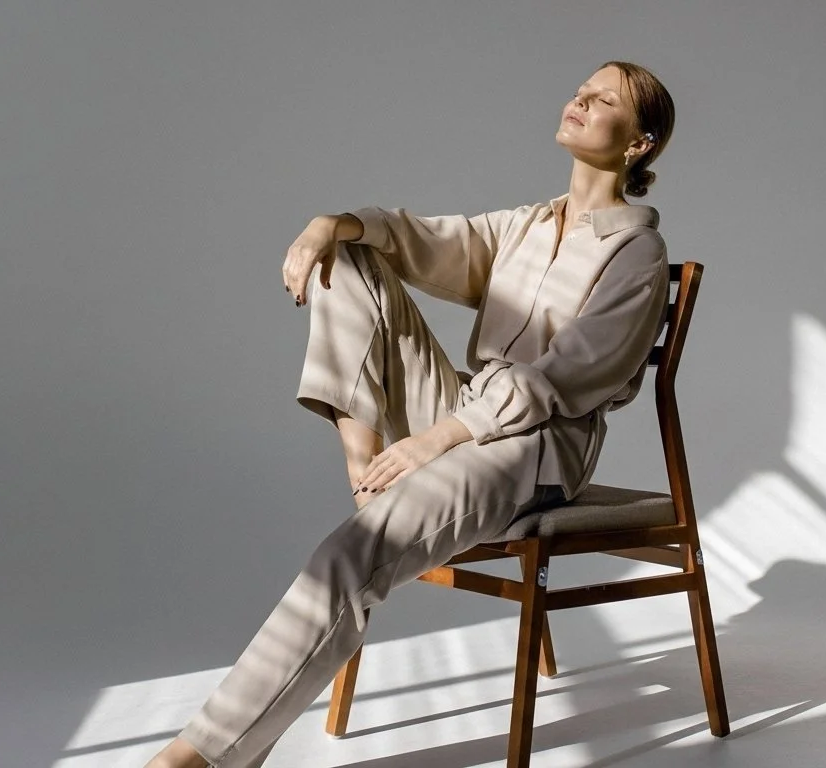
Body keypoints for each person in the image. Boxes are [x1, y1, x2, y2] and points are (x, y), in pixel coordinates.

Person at [146, 60, 677, 768]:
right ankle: (365, 470)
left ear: (638, 143)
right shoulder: (524, 226)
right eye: (581, 88)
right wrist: (326, 225)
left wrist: (437, 441)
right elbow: (412, 237)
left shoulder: (637, 251)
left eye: (603, 98)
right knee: (353, 255)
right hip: (461, 412)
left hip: (539, 450)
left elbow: (563, 380)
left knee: (348, 555)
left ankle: (202, 758)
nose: (579, 99)